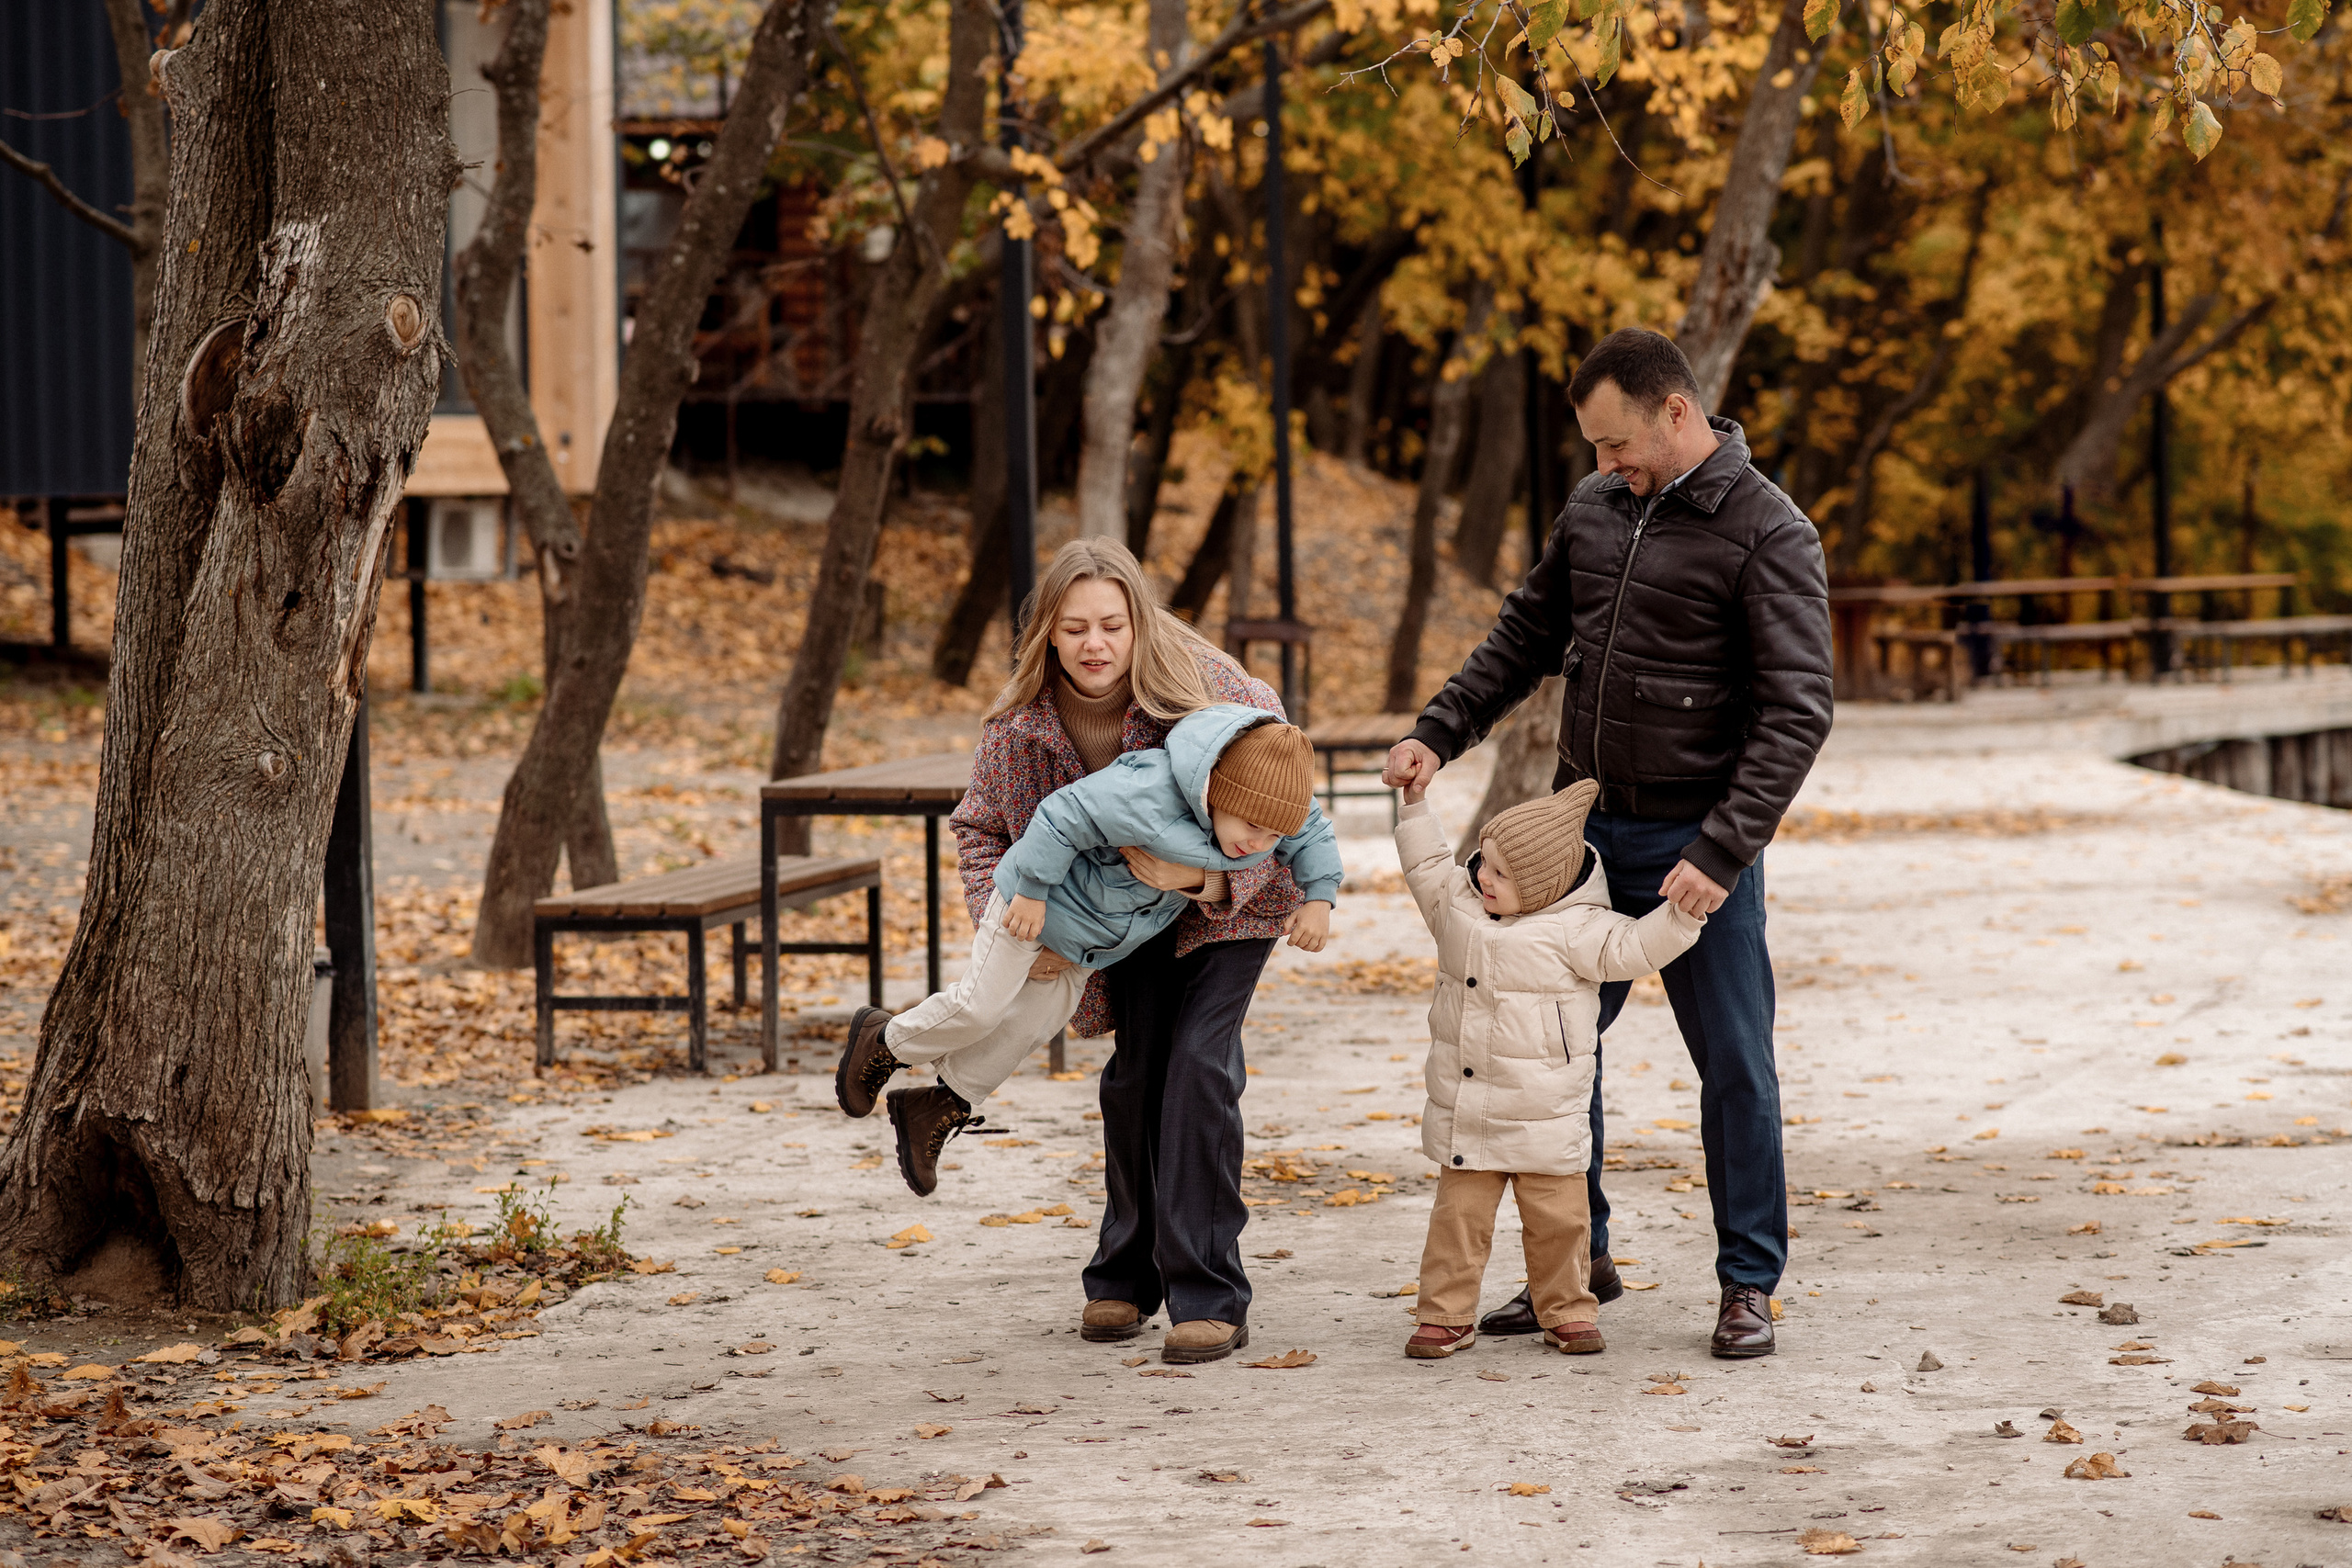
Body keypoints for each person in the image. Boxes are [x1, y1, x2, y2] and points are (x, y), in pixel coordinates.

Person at [1382, 328, 1832, 1359]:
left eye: (1615, 442)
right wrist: (1436, 730)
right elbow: (1524, 635)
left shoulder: (1770, 531)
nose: (1603, 465)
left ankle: (1747, 1281)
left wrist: (1720, 853)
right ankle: (1573, 1268)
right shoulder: (1594, 509)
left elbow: (1797, 712)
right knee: (1549, 1051)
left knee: (1735, 1068)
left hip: (1697, 845)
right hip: (1582, 834)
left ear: (1677, 412)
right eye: (1592, 447)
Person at [901, 537, 1312, 1366]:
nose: (1096, 644)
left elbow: (1284, 803)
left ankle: (1209, 1294)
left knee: (1198, 1065)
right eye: (1076, 626)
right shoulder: (1020, 728)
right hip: (1124, 918)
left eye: (1113, 625)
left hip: (1234, 906)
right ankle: (1125, 1271)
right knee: (1135, 1076)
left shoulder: (1214, 689)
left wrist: (1203, 880)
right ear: (1048, 633)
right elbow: (981, 831)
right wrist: (1018, 922)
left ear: (1141, 624)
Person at [834, 705, 1340, 1204]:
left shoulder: (1266, 808)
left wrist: (1318, 896)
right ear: (1216, 793)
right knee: (979, 1006)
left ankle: (933, 1105)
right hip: (1027, 910)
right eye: (1253, 827)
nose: (1259, 843)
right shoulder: (1146, 793)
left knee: (1030, 1025)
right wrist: (1031, 892)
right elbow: (1063, 814)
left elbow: (1311, 832)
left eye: (1273, 836)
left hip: (1089, 945)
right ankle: (885, 1039)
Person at [1394, 777, 1702, 1358]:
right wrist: (1414, 806)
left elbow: (1636, 946)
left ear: (1541, 885)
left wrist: (1682, 917)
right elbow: (1426, 866)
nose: (1483, 877)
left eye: (1502, 874)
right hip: (1472, 1111)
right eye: (1484, 863)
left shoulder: (1580, 929)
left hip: (1547, 1112)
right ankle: (1446, 1314)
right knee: (1456, 1223)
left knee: (1561, 1224)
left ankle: (1566, 1310)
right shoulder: (1458, 910)